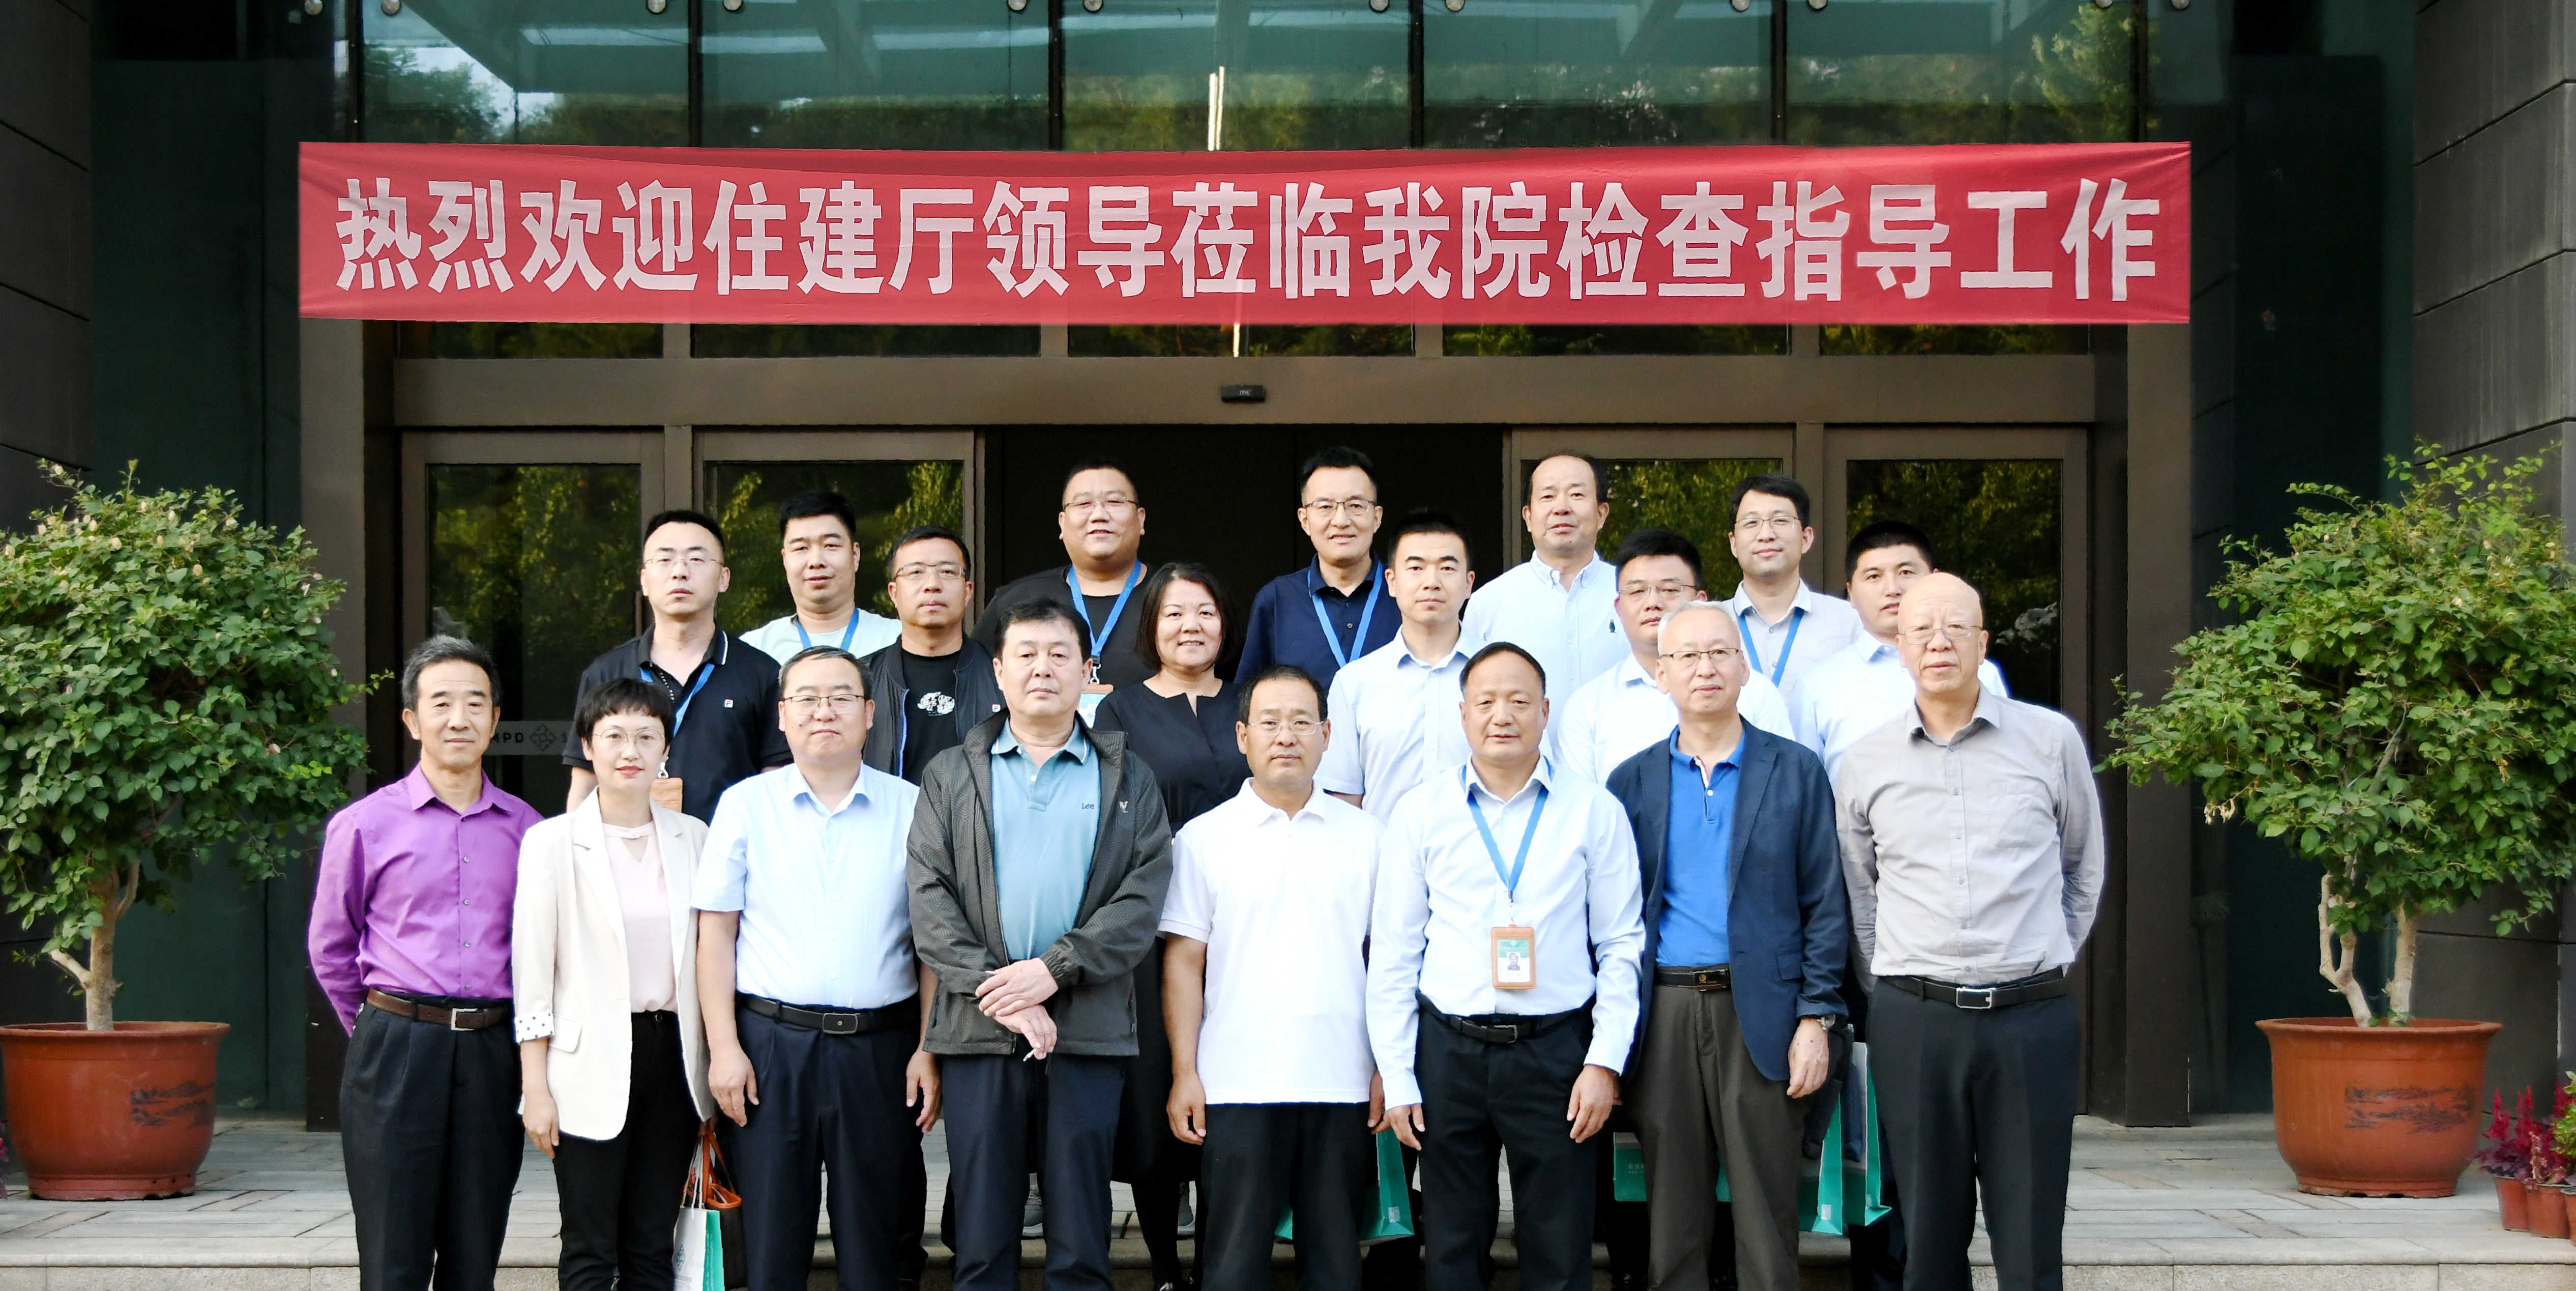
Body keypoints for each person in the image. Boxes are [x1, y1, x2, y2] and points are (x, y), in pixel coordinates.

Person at [1836, 575, 2104, 1291]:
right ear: (1899, 648)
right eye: (1921, 630)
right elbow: (1861, 891)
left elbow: (2082, 867)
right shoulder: (1865, 761)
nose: (1939, 642)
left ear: (1983, 642)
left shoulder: (2049, 740)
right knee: (1927, 1240)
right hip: (1916, 1019)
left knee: (2030, 1238)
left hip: (2030, 1018)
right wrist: (1896, 979)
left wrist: (2040, 955)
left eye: (1956, 627)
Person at [908, 600, 1176, 1291]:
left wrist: (1054, 971)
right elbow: (930, 900)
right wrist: (1004, 992)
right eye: (1025, 654)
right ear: (998, 671)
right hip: (979, 1029)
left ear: (1087, 671)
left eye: (1059, 654)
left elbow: (1142, 899)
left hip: (1086, 1031)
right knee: (982, 1241)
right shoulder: (950, 774)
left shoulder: (1128, 776)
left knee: (1082, 1239)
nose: (1042, 668)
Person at [1368, 643, 1646, 1291]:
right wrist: (1399, 1073)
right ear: (1463, 713)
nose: (1503, 715)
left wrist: (1604, 1062)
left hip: (1556, 1053)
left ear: (1545, 711)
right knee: (1452, 1246)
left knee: (1560, 1247)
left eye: (1519, 700)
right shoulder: (1421, 810)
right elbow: (1395, 952)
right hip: (1448, 1051)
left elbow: (1621, 944)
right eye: (1487, 701)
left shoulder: (1593, 808)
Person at [1603, 604, 1850, 1291]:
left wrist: (1816, 1017)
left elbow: (1825, 903)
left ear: (1744, 667)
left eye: (1720, 653)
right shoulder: (1630, 782)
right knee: (1673, 1219)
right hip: (1666, 1011)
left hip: (1763, 1013)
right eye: (1687, 656)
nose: (1705, 668)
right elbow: (1613, 918)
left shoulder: (1794, 770)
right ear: (1662, 674)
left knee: (1767, 1220)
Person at [693, 644, 940, 1291]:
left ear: (869, 713)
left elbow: (933, 942)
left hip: (881, 1051)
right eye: (806, 698)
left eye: (840, 697)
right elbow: (715, 934)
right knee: (771, 1249)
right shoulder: (745, 804)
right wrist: (724, 1048)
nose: (823, 711)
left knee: (878, 1249)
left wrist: (927, 1045)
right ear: (782, 715)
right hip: (772, 1049)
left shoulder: (914, 806)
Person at [309, 636, 541, 1291]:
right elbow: (331, 945)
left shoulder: (530, 829)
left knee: (475, 1251)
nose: (458, 718)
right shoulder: (364, 823)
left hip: (492, 1049)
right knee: (394, 1257)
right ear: (412, 719)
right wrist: (379, 1029)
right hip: (395, 1046)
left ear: (495, 718)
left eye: (475, 703)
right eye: (441, 703)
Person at [1164, 665, 1385, 1291]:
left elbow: (1386, 960)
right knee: (1231, 1267)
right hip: (1236, 1082)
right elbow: (1184, 960)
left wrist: (1385, 1065)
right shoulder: (1203, 838)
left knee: (1336, 1265)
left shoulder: (1369, 837)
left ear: (1327, 734)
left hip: (1343, 1081)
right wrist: (1185, 1071)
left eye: (1301, 721)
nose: (1285, 735)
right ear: (1243, 735)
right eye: (1269, 721)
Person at [514, 679, 716, 1291]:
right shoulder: (551, 841)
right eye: (614, 735)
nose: (631, 750)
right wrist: (534, 1086)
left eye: (647, 736)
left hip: (671, 1057)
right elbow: (533, 971)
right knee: (589, 1243)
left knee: (653, 1242)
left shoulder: (695, 836)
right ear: (588, 745)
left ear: (665, 749)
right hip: (586, 1062)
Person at [1096, 562, 1252, 1291]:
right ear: (1151, 627)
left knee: (1234, 1095)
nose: (1192, 626)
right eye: (1175, 614)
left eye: (1206, 612)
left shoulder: (1252, 703)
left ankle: (1221, 1263)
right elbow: (1112, 817)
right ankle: (1165, 1268)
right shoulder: (1120, 711)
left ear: (1226, 624)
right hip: (1155, 930)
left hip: (1248, 928)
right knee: (1156, 1094)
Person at [566, 509, 790, 821]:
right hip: (627, 849)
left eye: (696, 559)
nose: (680, 572)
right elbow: (585, 783)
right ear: (644, 580)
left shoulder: (763, 673)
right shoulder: (605, 673)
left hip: (730, 849)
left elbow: (775, 785)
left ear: (724, 578)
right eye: (665, 559)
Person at [1556, 528, 1792, 786]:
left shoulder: (1756, 693)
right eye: (1637, 591)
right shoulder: (1587, 708)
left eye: (1669, 589)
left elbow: (1783, 788)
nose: (1653, 602)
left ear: (1700, 600)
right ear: (1619, 608)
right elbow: (1583, 806)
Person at [1787, 522, 2008, 783]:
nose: (1892, 589)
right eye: (1874, 577)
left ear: (1935, 580)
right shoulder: (1817, 687)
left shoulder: (1980, 673)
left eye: (1905, 572)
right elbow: (1804, 789)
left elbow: (2004, 765)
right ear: (1851, 593)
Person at [1316, 511, 1480, 821]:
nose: (1431, 583)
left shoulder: (1503, 678)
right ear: (1392, 582)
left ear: (1469, 583)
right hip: (1384, 851)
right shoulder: (1354, 683)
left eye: (1447, 568)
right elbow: (1344, 800)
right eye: (1416, 568)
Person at [973, 458, 1155, 708]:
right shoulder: (1015, 600)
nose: (1099, 515)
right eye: (1083, 504)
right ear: (1062, 523)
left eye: (1114, 502)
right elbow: (973, 687)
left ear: (1141, 520)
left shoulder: (1175, 599)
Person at [1234, 446, 1402, 691]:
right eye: (1325, 507)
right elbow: (1248, 697)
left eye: (1356, 505)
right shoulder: (1277, 599)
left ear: (1377, 518)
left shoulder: (1409, 592)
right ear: (1305, 520)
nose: (1341, 521)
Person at [1460, 454, 1625, 700]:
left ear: (1602, 514)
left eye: (1576, 494)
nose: (1562, 508)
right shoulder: (1488, 603)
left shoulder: (1633, 594)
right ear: (1528, 517)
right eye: (1548, 496)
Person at [861, 525, 1004, 783]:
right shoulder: (861, 680)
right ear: (894, 593)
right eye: (916, 572)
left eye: (947, 572)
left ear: (968, 592)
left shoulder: (1004, 677)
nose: (932, 585)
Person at [1716, 475, 1864, 697]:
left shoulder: (1850, 622)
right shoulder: (1706, 624)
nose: (1766, 535)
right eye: (1751, 523)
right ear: (1734, 543)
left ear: (1806, 538)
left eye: (1781, 521)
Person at [741, 490, 903, 665]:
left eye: (830, 545)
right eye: (801, 548)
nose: (816, 562)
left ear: (855, 555)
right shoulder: (754, 652)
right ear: (785, 560)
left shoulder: (898, 641)